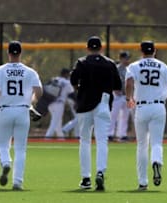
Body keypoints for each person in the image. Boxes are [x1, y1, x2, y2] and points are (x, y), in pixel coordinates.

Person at [125, 41, 167, 191]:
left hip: (141, 107)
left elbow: (129, 83)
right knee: (157, 142)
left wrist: (128, 98)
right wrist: (164, 94)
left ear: (141, 51)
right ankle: (156, 161)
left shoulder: (134, 66)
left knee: (142, 145)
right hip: (158, 106)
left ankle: (143, 182)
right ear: (154, 51)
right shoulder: (162, 65)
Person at [0, 41, 42, 190]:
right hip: (23, 110)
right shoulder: (30, 71)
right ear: (20, 53)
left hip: (5, 109)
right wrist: (32, 101)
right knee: (20, 148)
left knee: (3, 145)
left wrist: (1, 96)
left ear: (8, 53)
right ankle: (17, 182)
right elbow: (38, 90)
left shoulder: (0, 70)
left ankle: (6, 163)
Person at [70, 36, 122, 191]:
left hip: (85, 104)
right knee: (102, 140)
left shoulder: (82, 62)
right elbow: (118, 86)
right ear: (101, 48)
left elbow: (73, 80)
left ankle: (86, 179)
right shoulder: (110, 64)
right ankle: (100, 172)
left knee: (85, 141)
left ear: (87, 48)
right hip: (103, 103)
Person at [108, 51, 132, 142]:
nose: (127, 60)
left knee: (125, 116)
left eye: (128, 58)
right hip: (117, 95)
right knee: (113, 115)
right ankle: (109, 134)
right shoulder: (116, 68)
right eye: (126, 58)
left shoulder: (130, 69)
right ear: (121, 58)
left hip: (126, 95)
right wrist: (114, 89)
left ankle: (123, 135)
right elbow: (111, 80)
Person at [45, 68, 74, 139]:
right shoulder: (67, 82)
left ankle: (61, 139)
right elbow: (72, 95)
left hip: (50, 103)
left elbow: (45, 88)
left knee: (58, 123)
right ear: (66, 74)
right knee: (54, 122)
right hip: (59, 104)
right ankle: (47, 138)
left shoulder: (54, 79)